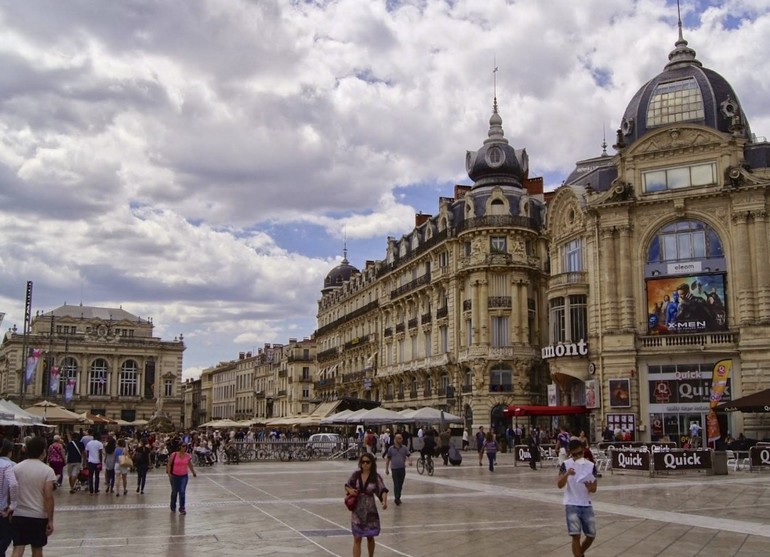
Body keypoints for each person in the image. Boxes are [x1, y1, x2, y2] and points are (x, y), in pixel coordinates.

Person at [11, 436, 56, 557]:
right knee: (37, 549)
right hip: (38, 516)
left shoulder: (16, 468)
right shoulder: (47, 471)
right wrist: (50, 520)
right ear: (43, 451)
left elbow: (11, 491)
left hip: (19, 514)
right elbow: (48, 496)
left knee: (17, 548)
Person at [557, 439, 598, 557]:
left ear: (584, 451)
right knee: (576, 535)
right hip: (571, 503)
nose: (578, 456)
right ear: (570, 453)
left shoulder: (591, 466)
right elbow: (559, 485)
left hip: (586, 503)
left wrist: (590, 487)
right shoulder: (566, 464)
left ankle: (579, 554)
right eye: (575, 455)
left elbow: (594, 488)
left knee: (591, 535)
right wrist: (567, 474)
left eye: (580, 453)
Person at [344, 454, 388, 557]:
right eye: (363, 462)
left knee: (370, 536)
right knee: (357, 537)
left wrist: (384, 501)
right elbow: (347, 486)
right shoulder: (356, 475)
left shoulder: (375, 477)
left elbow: (382, 490)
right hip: (357, 510)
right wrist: (351, 491)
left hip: (370, 511)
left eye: (367, 462)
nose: (365, 464)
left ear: (372, 463)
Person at [167, 442, 197, 515]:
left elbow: (190, 464)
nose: (185, 448)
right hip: (174, 476)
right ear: (180, 447)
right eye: (183, 446)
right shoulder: (174, 455)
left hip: (183, 476)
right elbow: (169, 464)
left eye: (186, 446)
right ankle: (173, 506)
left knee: (182, 492)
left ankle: (182, 508)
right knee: (174, 492)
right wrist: (169, 473)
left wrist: (193, 472)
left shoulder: (187, 456)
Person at [0, 439, 19, 557]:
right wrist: (13, 504)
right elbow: (13, 484)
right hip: (3, 510)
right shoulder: (8, 465)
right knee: (5, 538)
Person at [384, 433, 411, 506]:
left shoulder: (404, 448)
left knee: (400, 484)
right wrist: (386, 469)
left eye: (401, 438)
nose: (401, 440)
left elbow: (408, 455)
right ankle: (397, 498)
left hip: (402, 468)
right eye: (399, 438)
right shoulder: (391, 449)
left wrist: (410, 461)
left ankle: (398, 497)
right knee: (396, 484)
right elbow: (388, 459)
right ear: (395, 440)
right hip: (394, 469)